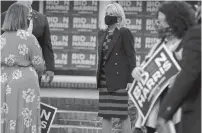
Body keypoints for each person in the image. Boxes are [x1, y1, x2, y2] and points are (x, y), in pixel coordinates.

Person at [131, 1, 196, 133]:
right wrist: (136, 71)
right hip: (151, 115)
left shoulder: (188, 45)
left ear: (175, 23)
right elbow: (145, 67)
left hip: (175, 116)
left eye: (162, 22)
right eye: (157, 21)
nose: (158, 25)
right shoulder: (159, 44)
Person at [1, 2, 44, 133]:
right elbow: (39, 65)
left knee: (6, 117)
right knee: (26, 118)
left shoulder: (1, 38)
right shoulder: (30, 38)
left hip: (4, 84)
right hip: (26, 85)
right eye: (28, 17)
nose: (29, 20)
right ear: (22, 18)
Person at [157, 6, 201, 133]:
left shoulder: (196, 35)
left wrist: (164, 113)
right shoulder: (160, 44)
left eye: (162, 21)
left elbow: (188, 75)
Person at [97, 3, 136, 133]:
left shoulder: (124, 32)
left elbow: (131, 56)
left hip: (119, 80)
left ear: (119, 18)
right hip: (104, 79)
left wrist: (131, 80)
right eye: (107, 14)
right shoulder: (102, 33)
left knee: (122, 114)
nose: (108, 17)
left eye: (111, 15)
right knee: (105, 114)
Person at [1, 0, 54, 83]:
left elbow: (46, 45)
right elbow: (39, 66)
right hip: (27, 77)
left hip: (7, 78)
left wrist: (50, 68)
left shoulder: (42, 19)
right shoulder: (3, 16)